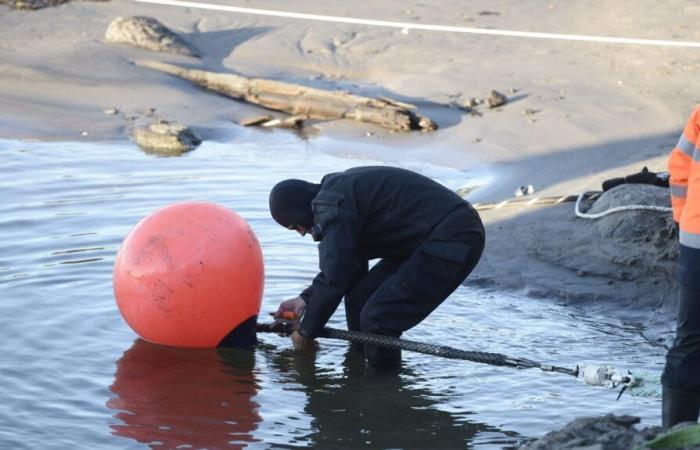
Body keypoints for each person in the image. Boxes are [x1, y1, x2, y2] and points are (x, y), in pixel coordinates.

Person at [268, 166, 485, 367]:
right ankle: (359, 367)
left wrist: (306, 331)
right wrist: (305, 299)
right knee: (360, 298)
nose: (303, 232)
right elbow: (345, 267)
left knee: (379, 318)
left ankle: (383, 389)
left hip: (455, 237)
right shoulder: (335, 196)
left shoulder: (331, 207)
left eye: (296, 225)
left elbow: (334, 278)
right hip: (422, 241)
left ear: (301, 209)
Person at [663, 106, 700, 427]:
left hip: (695, 238)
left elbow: (678, 167)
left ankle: (674, 437)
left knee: (689, 341)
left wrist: (681, 219)